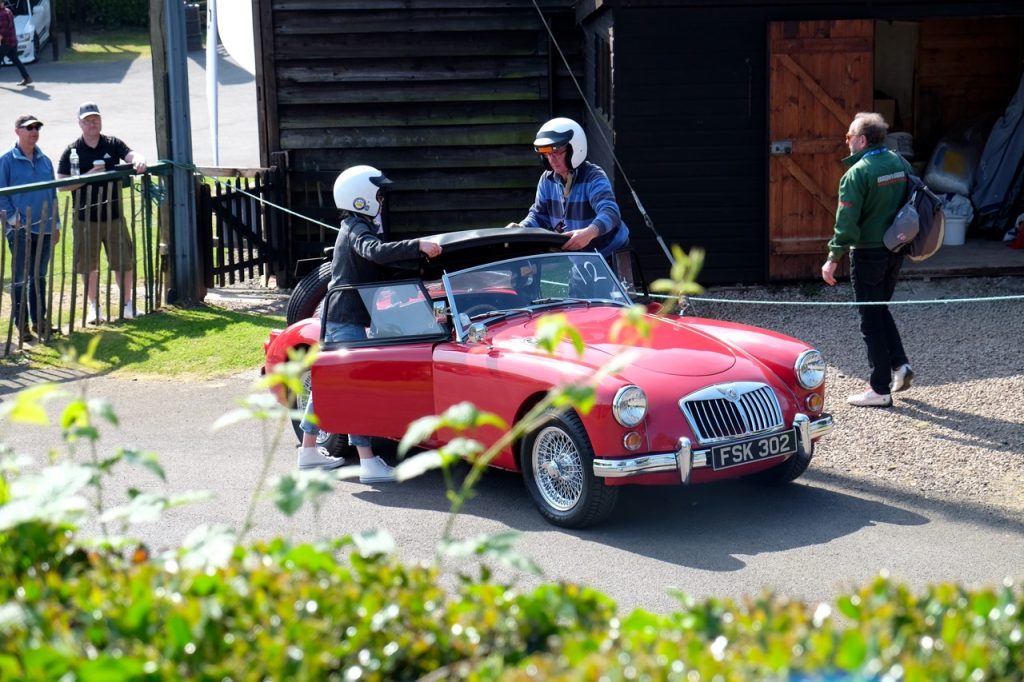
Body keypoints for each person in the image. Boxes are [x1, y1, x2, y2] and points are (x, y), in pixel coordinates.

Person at [297, 164, 442, 481]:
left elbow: (377, 265)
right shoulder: (357, 229)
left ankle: (308, 451)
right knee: (354, 388)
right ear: (361, 197)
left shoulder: (354, 226)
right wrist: (416, 245)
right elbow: (374, 252)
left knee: (328, 388)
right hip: (346, 317)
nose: (381, 199)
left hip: (341, 315)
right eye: (377, 193)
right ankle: (368, 461)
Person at [821, 112, 914, 408]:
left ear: (862, 140)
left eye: (849, 137)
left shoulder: (856, 173)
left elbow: (846, 224)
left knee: (869, 321)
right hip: (895, 251)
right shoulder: (901, 163)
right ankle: (901, 365)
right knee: (879, 310)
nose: (847, 142)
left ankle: (879, 388)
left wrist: (833, 257)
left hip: (867, 254)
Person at [56, 102, 147, 323]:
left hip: (114, 216)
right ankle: (94, 308)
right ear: (80, 123)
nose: (92, 123)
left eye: (95, 118)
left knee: (123, 262)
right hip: (85, 218)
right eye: (87, 120)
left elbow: (130, 154)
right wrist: (89, 175)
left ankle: (127, 305)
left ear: (101, 120)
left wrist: (139, 159)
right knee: (89, 266)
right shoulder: (72, 150)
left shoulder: (112, 143)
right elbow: (61, 184)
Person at [508, 117, 629, 257]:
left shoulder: (593, 177)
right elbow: (539, 216)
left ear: (575, 149)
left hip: (611, 255)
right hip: (580, 256)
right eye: (547, 154)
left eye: (557, 152)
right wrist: (521, 228)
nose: (551, 159)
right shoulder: (547, 180)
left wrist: (588, 233)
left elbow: (610, 212)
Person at [0, 114, 60, 341]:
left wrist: (55, 223)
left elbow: (53, 192)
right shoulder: (6, 160)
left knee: (39, 276)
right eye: (29, 128)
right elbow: (0, 195)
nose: (34, 131)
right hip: (19, 230)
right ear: (17, 131)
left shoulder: (45, 160)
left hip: (44, 228)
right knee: (20, 278)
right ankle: (22, 324)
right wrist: (15, 221)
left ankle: (40, 321)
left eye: (37, 127)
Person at [0, 1, 31, 87]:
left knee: (15, 60)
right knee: (15, 60)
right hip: (12, 41)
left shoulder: (2, 14)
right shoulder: (8, 11)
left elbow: (3, 30)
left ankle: (27, 77)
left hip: (6, 43)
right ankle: (27, 77)